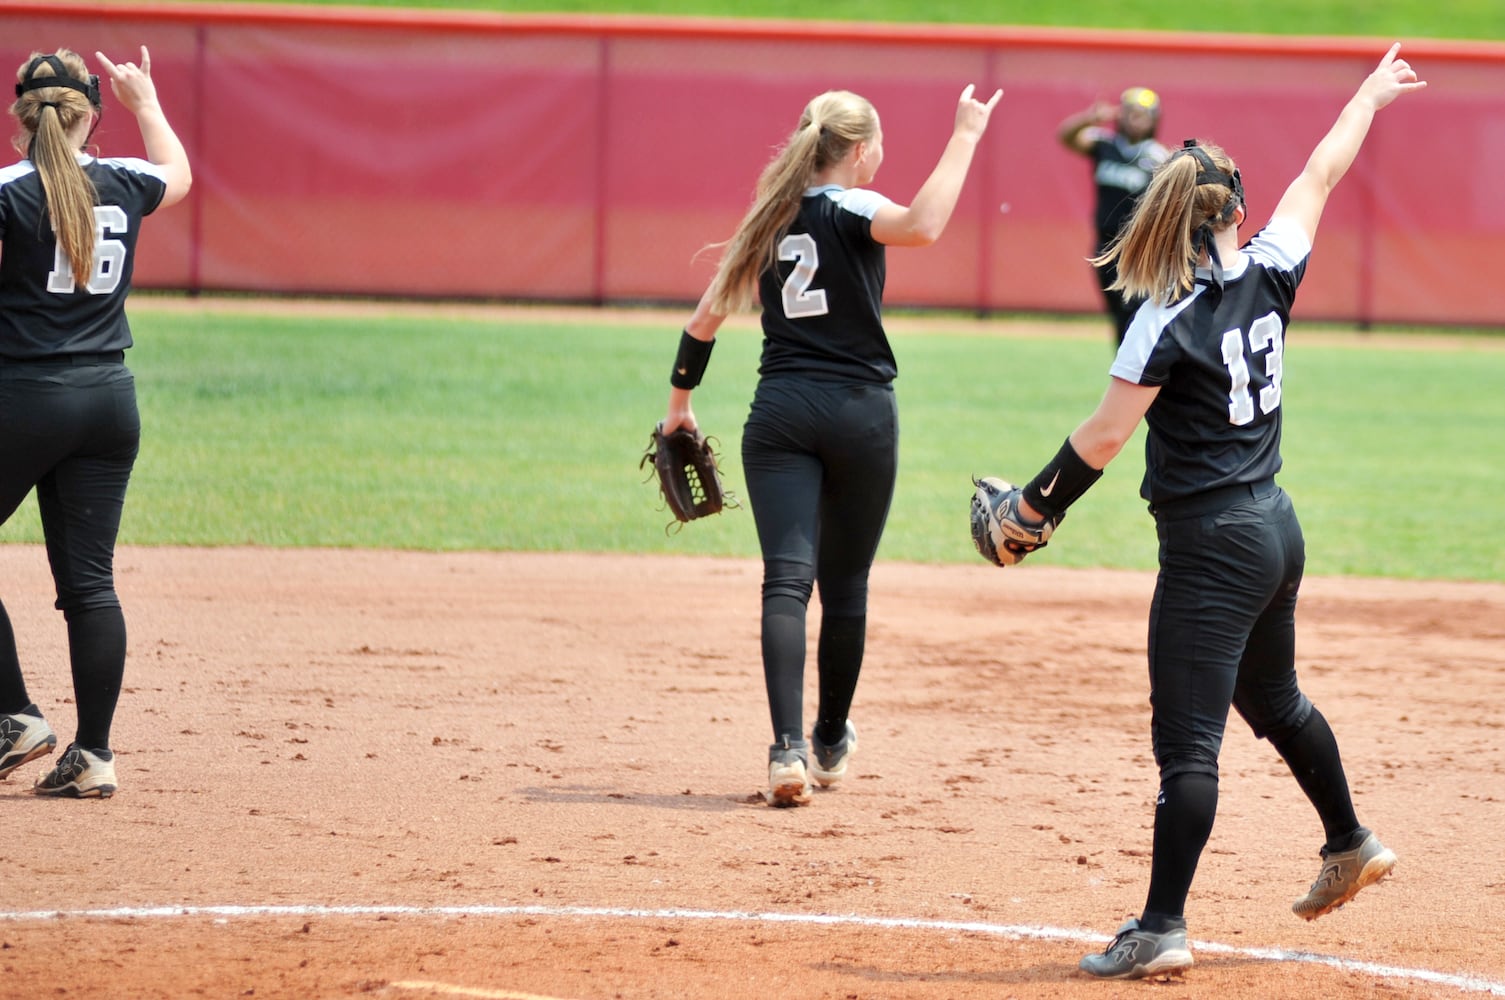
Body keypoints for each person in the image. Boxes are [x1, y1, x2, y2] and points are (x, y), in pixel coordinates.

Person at [979, 45, 1424, 977]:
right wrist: (1368, 96)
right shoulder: (1272, 266)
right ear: (1238, 211)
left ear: (1166, 216)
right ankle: (1348, 838)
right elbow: (1321, 169)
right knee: (1273, 698)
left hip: (1212, 545)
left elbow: (1102, 439)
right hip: (1273, 526)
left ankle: (1160, 927)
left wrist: (1031, 510)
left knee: (1188, 744)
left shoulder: (1164, 311)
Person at [660, 84, 1001, 806]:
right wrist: (966, 134)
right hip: (859, 415)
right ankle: (828, 739)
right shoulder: (852, 207)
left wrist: (679, 409)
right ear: (855, 150)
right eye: (878, 144)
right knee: (845, 588)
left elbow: (701, 324)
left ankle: (784, 752)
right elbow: (925, 224)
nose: (882, 155)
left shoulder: (769, 218)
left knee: (785, 582)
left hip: (778, 413)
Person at [0, 47, 191, 798]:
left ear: (19, 118)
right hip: (111, 398)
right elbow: (176, 175)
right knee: (88, 584)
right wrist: (145, 100)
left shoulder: (11, 188)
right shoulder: (125, 180)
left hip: (25, 396)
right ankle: (94, 756)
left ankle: (16, 716)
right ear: (91, 117)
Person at [1057, 86, 1169, 346]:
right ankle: (1128, 375)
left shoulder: (1156, 156)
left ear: (1154, 119)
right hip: (1105, 245)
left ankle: (1146, 375)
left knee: (1138, 314)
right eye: (1130, 112)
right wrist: (1089, 118)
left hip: (1138, 250)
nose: (1135, 119)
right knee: (1120, 316)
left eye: (1143, 114)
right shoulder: (1105, 144)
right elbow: (1066, 136)